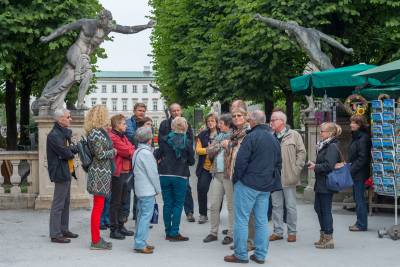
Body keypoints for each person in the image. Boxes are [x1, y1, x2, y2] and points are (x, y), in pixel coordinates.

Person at [224, 110, 282, 264]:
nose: (248, 121)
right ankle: (260, 255)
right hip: (265, 186)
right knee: (261, 221)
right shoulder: (273, 138)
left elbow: (241, 161)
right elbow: (278, 163)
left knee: (241, 220)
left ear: (255, 121)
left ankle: (240, 254)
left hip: (248, 183)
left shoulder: (251, 137)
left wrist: (237, 180)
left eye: (249, 119)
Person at [155, 116, 195, 241]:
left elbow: (157, 154)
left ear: (172, 127)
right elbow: (192, 161)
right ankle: (174, 232)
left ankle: (167, 231)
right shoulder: (187, 142)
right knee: (178, 204)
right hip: (180, 175)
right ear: (185, 127)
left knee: (167, 203)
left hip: (164, 174)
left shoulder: (165, 139)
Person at [269, 111, 306, 243]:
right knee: (276, 205)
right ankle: (278, 231)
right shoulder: (270, 136)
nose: (271, 122)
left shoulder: (294, 135)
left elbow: (302, 152)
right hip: (274, 177)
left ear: (282, 121)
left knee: (290, 206)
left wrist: (297, 169)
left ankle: (292, 232)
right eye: (271, 120)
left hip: (289, 176)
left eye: (273, 120)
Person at [84, 105, 115, 250]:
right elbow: (100, 154)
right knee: (98, 207)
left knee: (99, 206)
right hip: (99, 173)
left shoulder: (97, 132)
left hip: (102, 172)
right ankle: (95, 241)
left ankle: (96, 238)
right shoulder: (96, 133)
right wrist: (113, 151)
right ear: (102, 115)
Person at [47, 108, 79, 243]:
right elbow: (67, 153)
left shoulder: (63, 133)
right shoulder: (54, 135)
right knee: (58, 204)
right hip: (60, 171)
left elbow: (68, 150)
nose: (71, 119)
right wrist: (73, 149)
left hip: (66, 169)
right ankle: (55, 234)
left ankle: (63, 229)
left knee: (66, 202)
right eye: (68, 116)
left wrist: (71, 149)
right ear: (60, 119)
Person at [308, 122, 342, 249]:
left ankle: (328, 237)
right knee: (318, 208)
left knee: (325, 210)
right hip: (321, 182)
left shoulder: (332, 146)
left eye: (322, 131)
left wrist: (315, 166)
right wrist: (315, 165)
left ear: (330, 133)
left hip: (327, 183)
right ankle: (323, 235)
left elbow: (329, 165)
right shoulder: (325, 145)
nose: (320, 133)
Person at [203, 114, 234, 245]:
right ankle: (213, 232)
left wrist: (225, 146)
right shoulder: (218, 136)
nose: (218, 125)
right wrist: (220, 146)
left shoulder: (235, 136)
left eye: (221, 123)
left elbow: (234, 150)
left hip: (229, 174)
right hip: (216, 173)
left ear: (227, 124)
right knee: (214, 205)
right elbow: (209, 151)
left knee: (231, 206)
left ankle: (231, 234)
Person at [132, 127, 161, 254]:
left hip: (140, 189)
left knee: (140, 216)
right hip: (147, 189)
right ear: (150, 139)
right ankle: (140, 243)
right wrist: (158, 189)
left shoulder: (137, 151)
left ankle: (139, 241)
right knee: (145, 217)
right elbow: (153, 174)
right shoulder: (146, 153)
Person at [109, 114, 135, 240]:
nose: (126, 126)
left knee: (124, 201)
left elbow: (132, 149)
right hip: (117, 172)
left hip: (125, 170)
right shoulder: (113, 136)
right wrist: (129, 150)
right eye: (124, 124)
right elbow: (127, 151)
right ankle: (114, 229)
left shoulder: (122, 136)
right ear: (117, 125)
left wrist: (129, 150)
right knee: (116, 202)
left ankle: (121, 225)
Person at [122, 102, 147, 222]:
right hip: (129, 158)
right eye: (139, 110)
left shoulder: (145, 123)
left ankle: (137, 215)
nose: (141, 113)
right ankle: (125, 214)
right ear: (134, 111)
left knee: (139, 188)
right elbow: (133, 137)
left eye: (143, 111)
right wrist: (143, 134)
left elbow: (148, 140)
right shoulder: (128, 123)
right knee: (127, 187)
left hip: (141, 159)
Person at [348, 115, 371, 232]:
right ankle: (359, 222)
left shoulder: (363, 138)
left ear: (360, 125)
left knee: (359, 199)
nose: (351, 124)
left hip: (360, 173)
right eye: (351, 122)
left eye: (354, 123)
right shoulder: (356, 137)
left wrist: (351, 170)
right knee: (358, 198)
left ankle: (361, 224)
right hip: (356, 172)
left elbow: (363, 159)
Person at [195, 113, 219, 224]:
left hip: (218, 167)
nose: (210, 123)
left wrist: (214, 149)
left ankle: (216, 213)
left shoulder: (222, 134)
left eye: (212, 121)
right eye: (208, 121)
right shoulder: (202, 135)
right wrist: (209, 150)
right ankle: (203, 214)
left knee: (219, 192)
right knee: (201, 189)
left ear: (217, 122)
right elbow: (198, 150)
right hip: (205, 167)